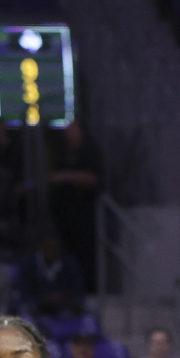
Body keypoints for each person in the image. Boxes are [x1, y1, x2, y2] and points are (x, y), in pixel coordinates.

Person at [48, 120, 103, 281]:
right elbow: (52, 177)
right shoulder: (62, 154)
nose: (70, 135)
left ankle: (89, 287)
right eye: (67, 132)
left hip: (85, 217)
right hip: (64, 217)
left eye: (73, 131)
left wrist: (67, 176)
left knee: (86, 257)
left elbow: (93, 178)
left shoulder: (90, 152)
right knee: (67, 256)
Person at [19, 235, 85, 317]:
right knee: (25, 313)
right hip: (36, 310)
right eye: (48, 248)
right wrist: (45, 299)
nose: (52, 251)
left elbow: (77, 291)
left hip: (64, 309)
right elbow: (25, 294)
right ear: (41, 247)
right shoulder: (28, 264)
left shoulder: (70, 264)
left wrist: (65, 299)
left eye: (55, 248)